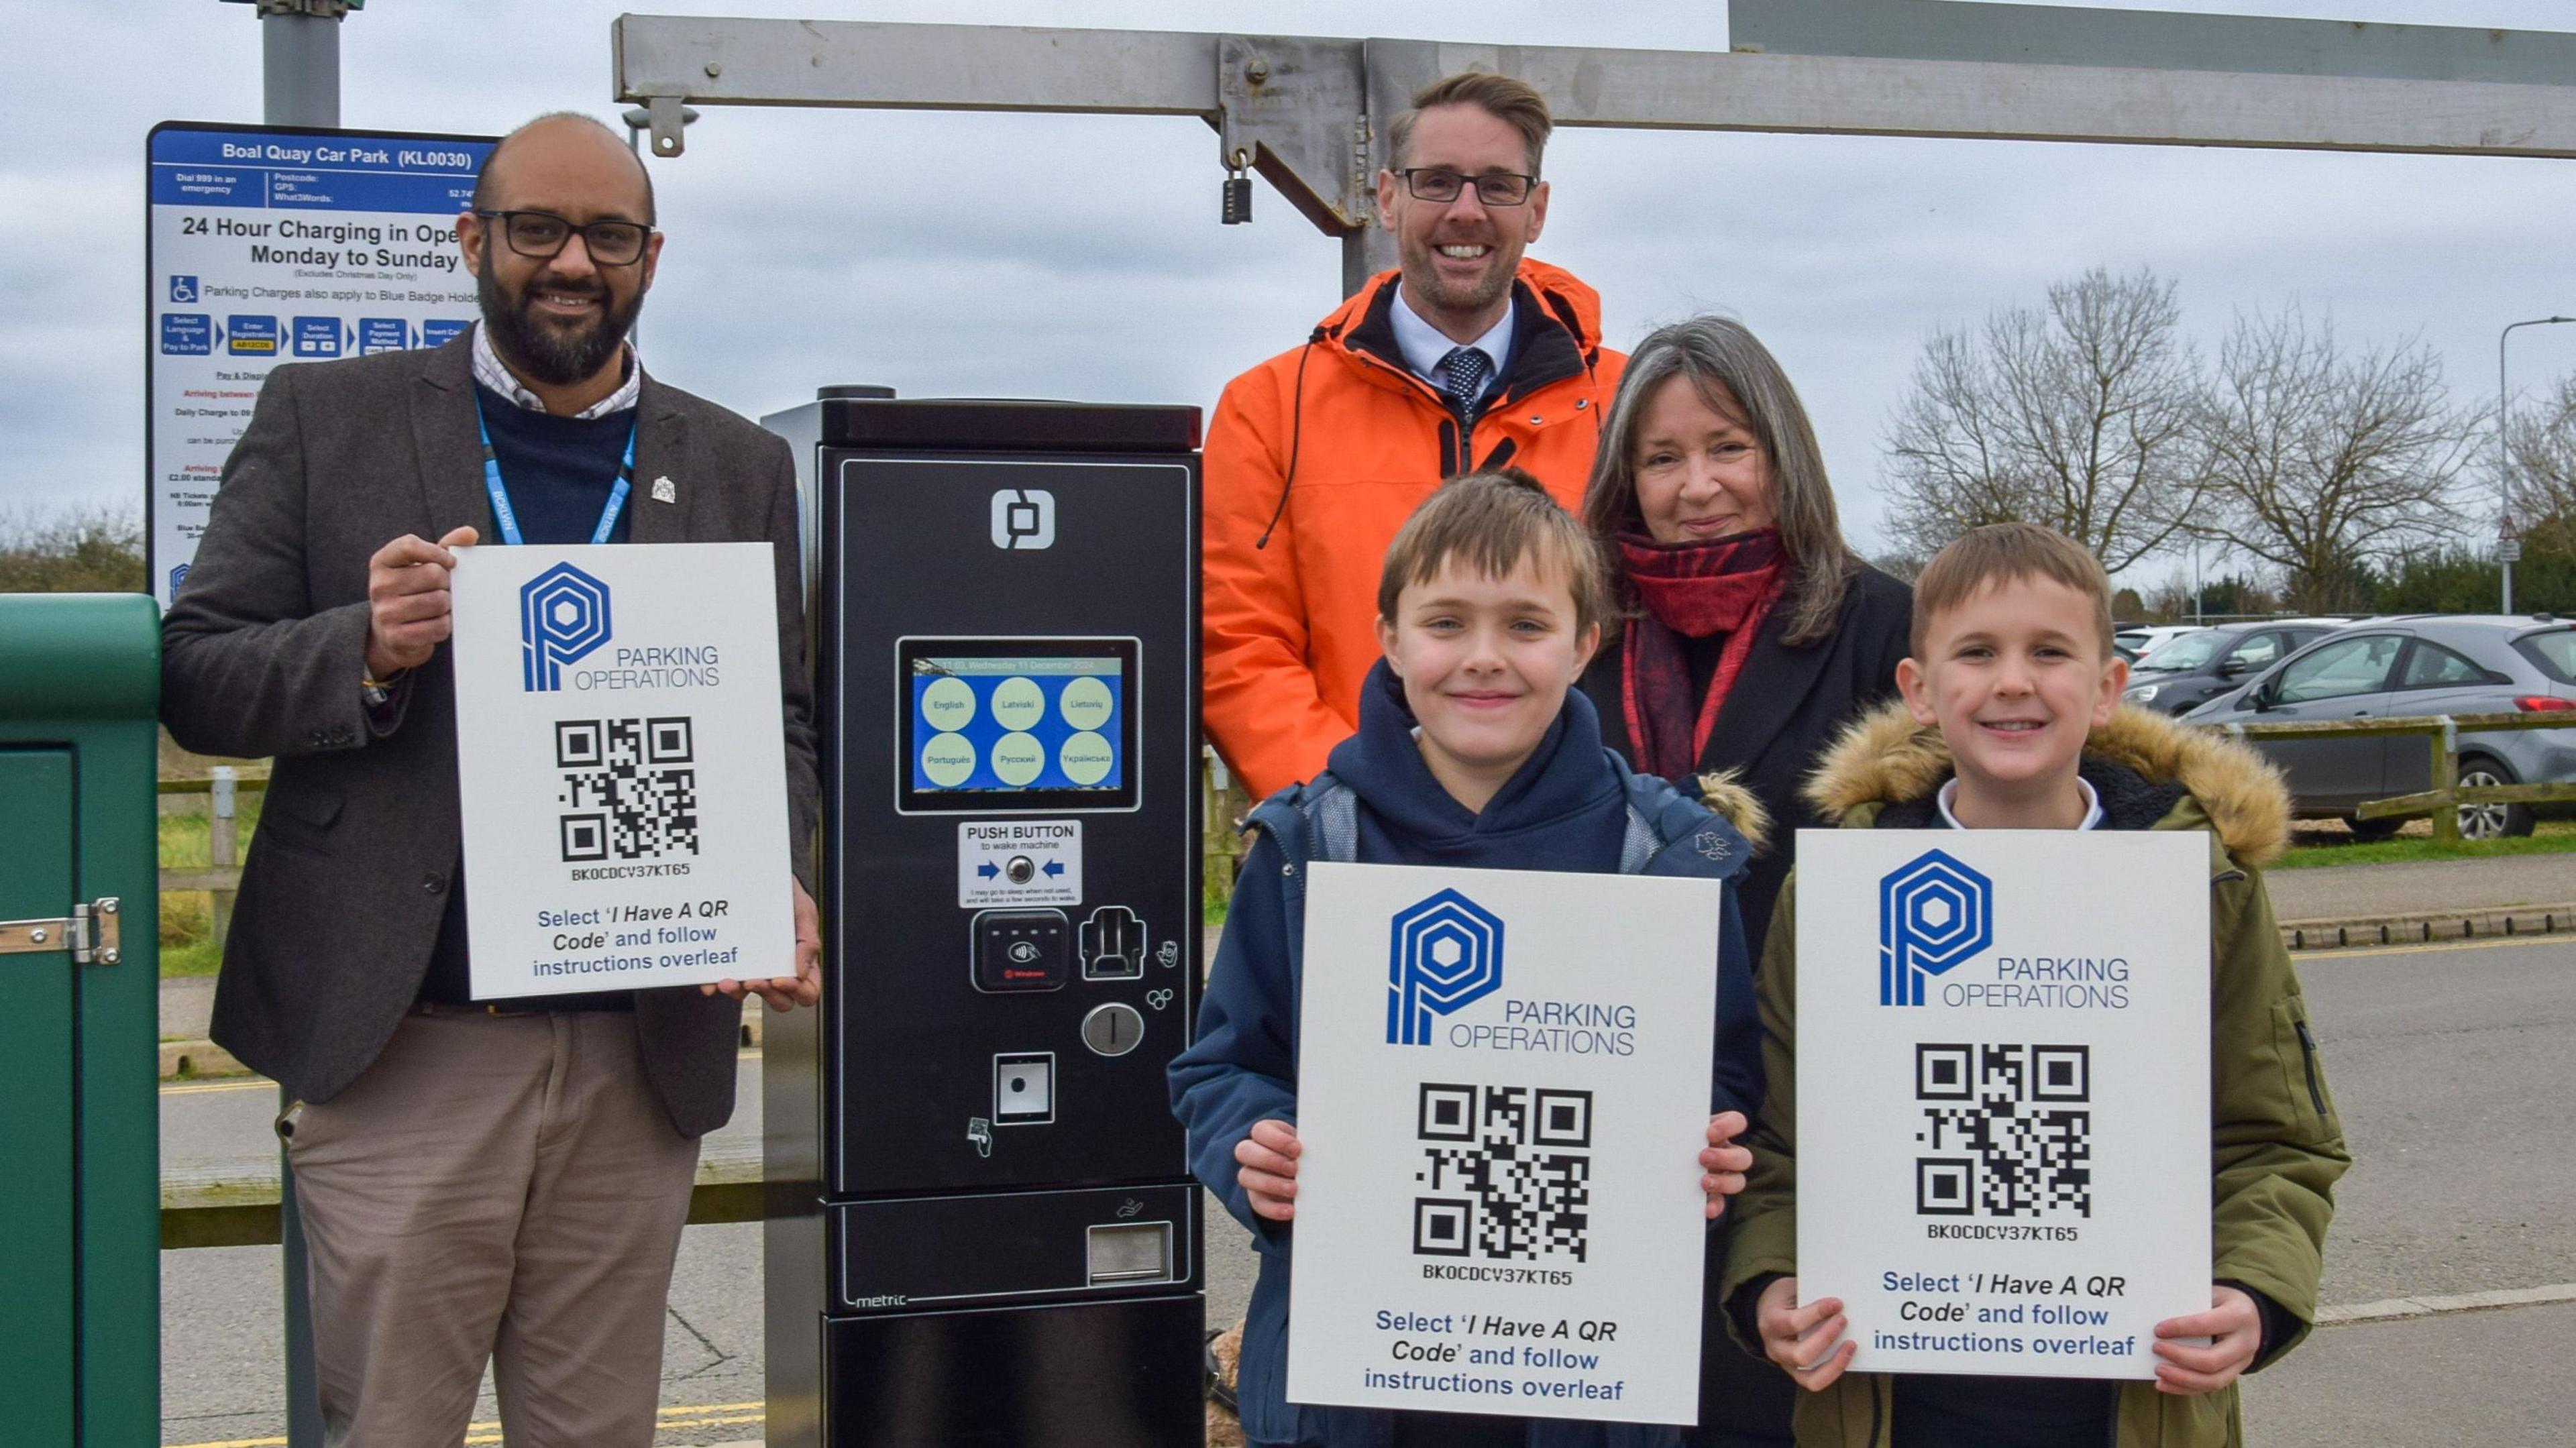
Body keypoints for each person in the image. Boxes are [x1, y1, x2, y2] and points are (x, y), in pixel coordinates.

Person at [160, 112, 820, 1447]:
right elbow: (199, 672)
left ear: (651, 254)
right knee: (391, 1422)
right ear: (473, 240)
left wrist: (780, 869)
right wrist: (366, 643)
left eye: (609, 235)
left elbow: (783, 719)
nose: (572, 260)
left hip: (638, 1051)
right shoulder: (323, 418)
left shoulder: (741, 463)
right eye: (537, 229)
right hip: (411, 1040)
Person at [1722, 522, 2350, 1448]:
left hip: (2135, 1403)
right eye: (1976, 652)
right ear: (1920, 690)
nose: (2013, 680)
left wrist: (2255, 1292)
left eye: (2049, 651)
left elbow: (2279, 1137)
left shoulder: (2198, 879)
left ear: (2106, 689)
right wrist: (1773, 1275)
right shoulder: (1839, 891)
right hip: (1891, 1404)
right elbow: (1781, 1140)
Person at [1173, 469, 1765, 1448]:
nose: (1484, 659)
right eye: (1446, 622)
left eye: (1526, 626)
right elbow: (1222, 1063)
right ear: (1390, 637)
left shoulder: (1667, 852)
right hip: (1352, 1382)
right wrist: (1255, 1143)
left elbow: (1725, 1067)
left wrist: (1701, 1144)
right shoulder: (1307, 844)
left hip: (1584, 1378)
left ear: (1583, 644)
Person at [1203, 70, 1623, 801]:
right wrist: (1357, 804)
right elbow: (1237, 646)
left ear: (1537, 209)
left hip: (1585, 845)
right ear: (1389, 197)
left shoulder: (1624, 402)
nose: (1466, 210)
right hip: (1347, 844)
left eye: (1498, 185)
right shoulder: (1268, 409)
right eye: (1438, 182)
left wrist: (1604, 809)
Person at [1578, 316, 1911, 963]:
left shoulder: (1886, 626)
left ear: (1784, 453)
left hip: (1804, 1026)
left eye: (1729, 448)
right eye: (1664, 458)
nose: (1698, 487)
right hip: (1609, 1017)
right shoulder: (1579, 635)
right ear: (1628, 479)